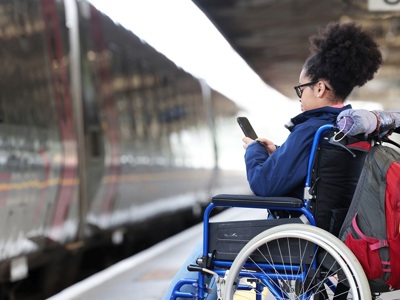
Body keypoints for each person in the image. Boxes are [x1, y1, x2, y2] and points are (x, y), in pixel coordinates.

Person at [163, 21, 382, 300]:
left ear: (320, 88)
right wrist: (277, 151)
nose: (299, 97)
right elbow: (316, 168)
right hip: (333, 232)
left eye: (300, 88)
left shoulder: (311, 128)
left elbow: (264, 186)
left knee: (203, 249)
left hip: (301, 236)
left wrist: (253, 150)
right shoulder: (341, 128)